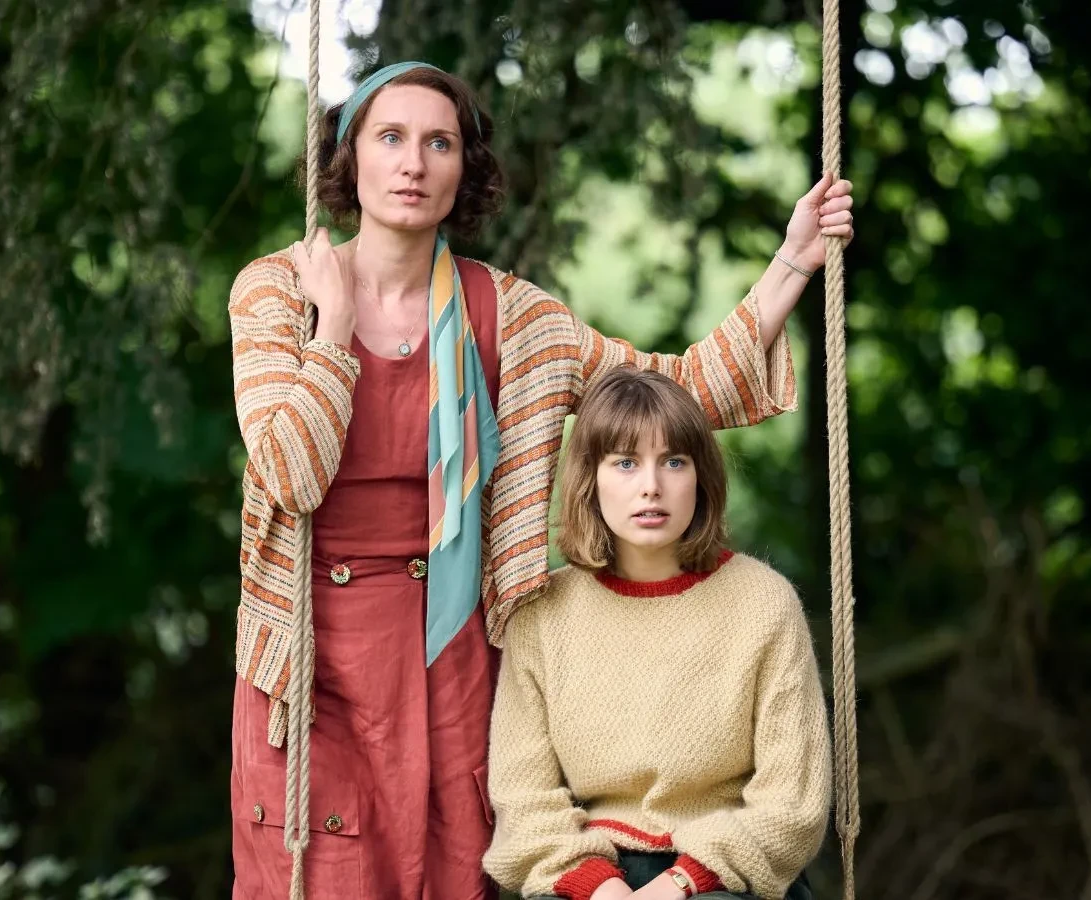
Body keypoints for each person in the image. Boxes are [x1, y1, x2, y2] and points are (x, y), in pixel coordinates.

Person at [227, 60, 854, 899]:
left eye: (439, 142)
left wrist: (791, 262)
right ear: (351, 161)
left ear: (464, 170)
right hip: (309, 654)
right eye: (391, 138)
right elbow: (288, 475)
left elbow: (679, 393)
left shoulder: (511, 317)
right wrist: (334, 327)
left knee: (446, 872)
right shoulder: (279, 293)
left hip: (452, 650)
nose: (414, 162)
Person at [483, 367, 831, 900]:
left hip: (724, 876)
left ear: (701, 476)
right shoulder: (542, 613)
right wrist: (602, 889)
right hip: (588, 876)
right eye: (625, 463)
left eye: (674, 461)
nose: (652, 486)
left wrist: (680, 884)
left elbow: (792, 803)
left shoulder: (764, 604)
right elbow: (524, 797)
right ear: (590, 480)